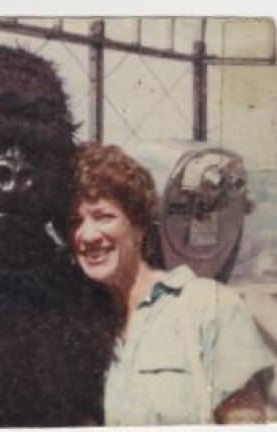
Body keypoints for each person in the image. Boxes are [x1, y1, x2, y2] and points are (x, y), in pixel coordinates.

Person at [70, 143, 274, 425]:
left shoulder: (208, 307)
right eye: (75, 221)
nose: (87, 234)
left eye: (104, 216)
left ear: (139, 225)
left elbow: (244, 421)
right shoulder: (79, 328)